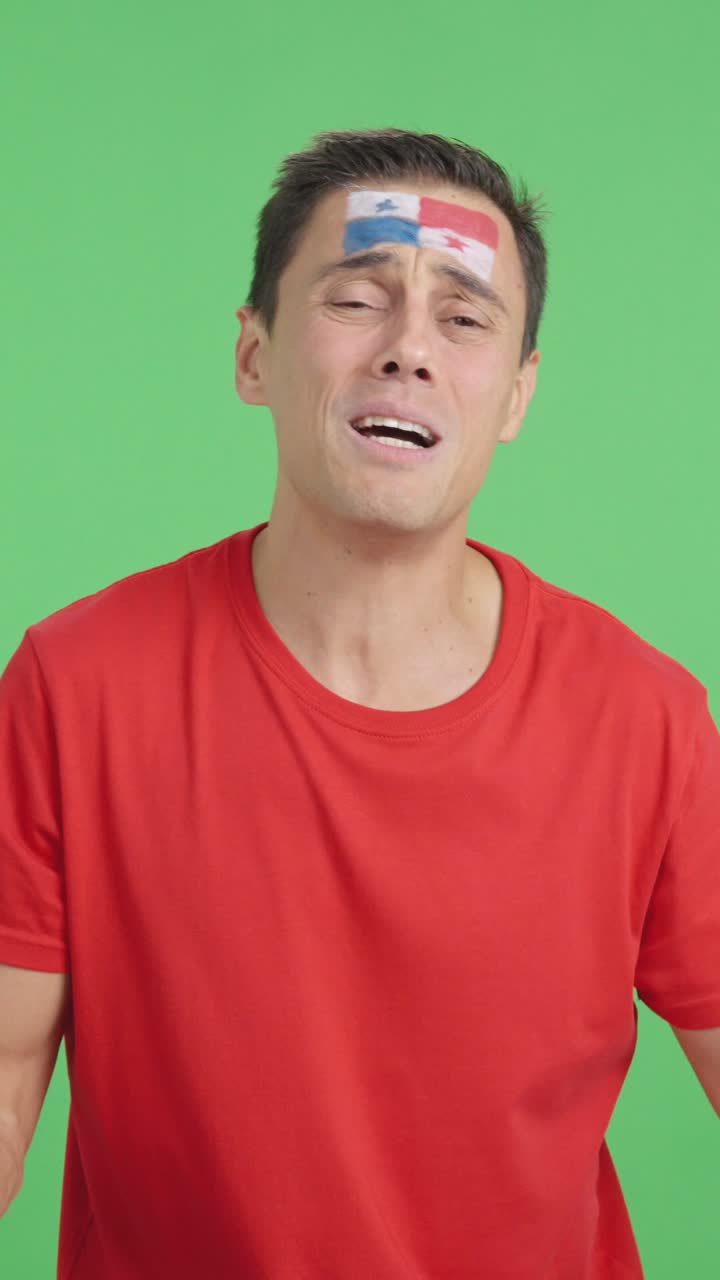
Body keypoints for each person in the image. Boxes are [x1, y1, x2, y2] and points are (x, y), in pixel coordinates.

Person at [1, 127, 718, 1280]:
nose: (409, 351)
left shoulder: (648, 719)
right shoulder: (74, 684)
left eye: (465, 318)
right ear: (253, 354)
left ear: (518, 393)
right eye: (356, 298)